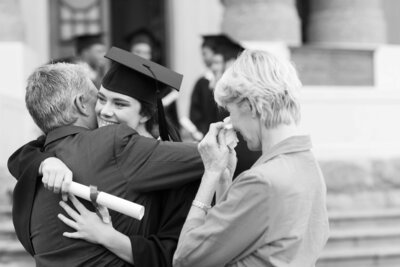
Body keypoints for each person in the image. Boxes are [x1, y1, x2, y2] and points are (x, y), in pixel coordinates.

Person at [8, 47, 203, 266]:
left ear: (146, 113)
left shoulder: (41, 161)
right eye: (100, 99)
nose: (105, 111)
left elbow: (175, 250)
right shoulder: (75, 150)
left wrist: (108, 237)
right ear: (82, 104)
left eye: (120, 103)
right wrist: (44, 162)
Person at [173, 50, 330, 267]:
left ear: (250, 105)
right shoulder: (308, 165)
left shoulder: (262, 181)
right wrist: (224, 180)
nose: (230, 121)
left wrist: (210, 173)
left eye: (230, 110)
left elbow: (186, 258)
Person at [190, 34, 261, 177]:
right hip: (223, 147)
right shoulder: (204, 84)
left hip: (244, 151)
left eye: (217, 62)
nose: (213, 66)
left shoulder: (242, 89)